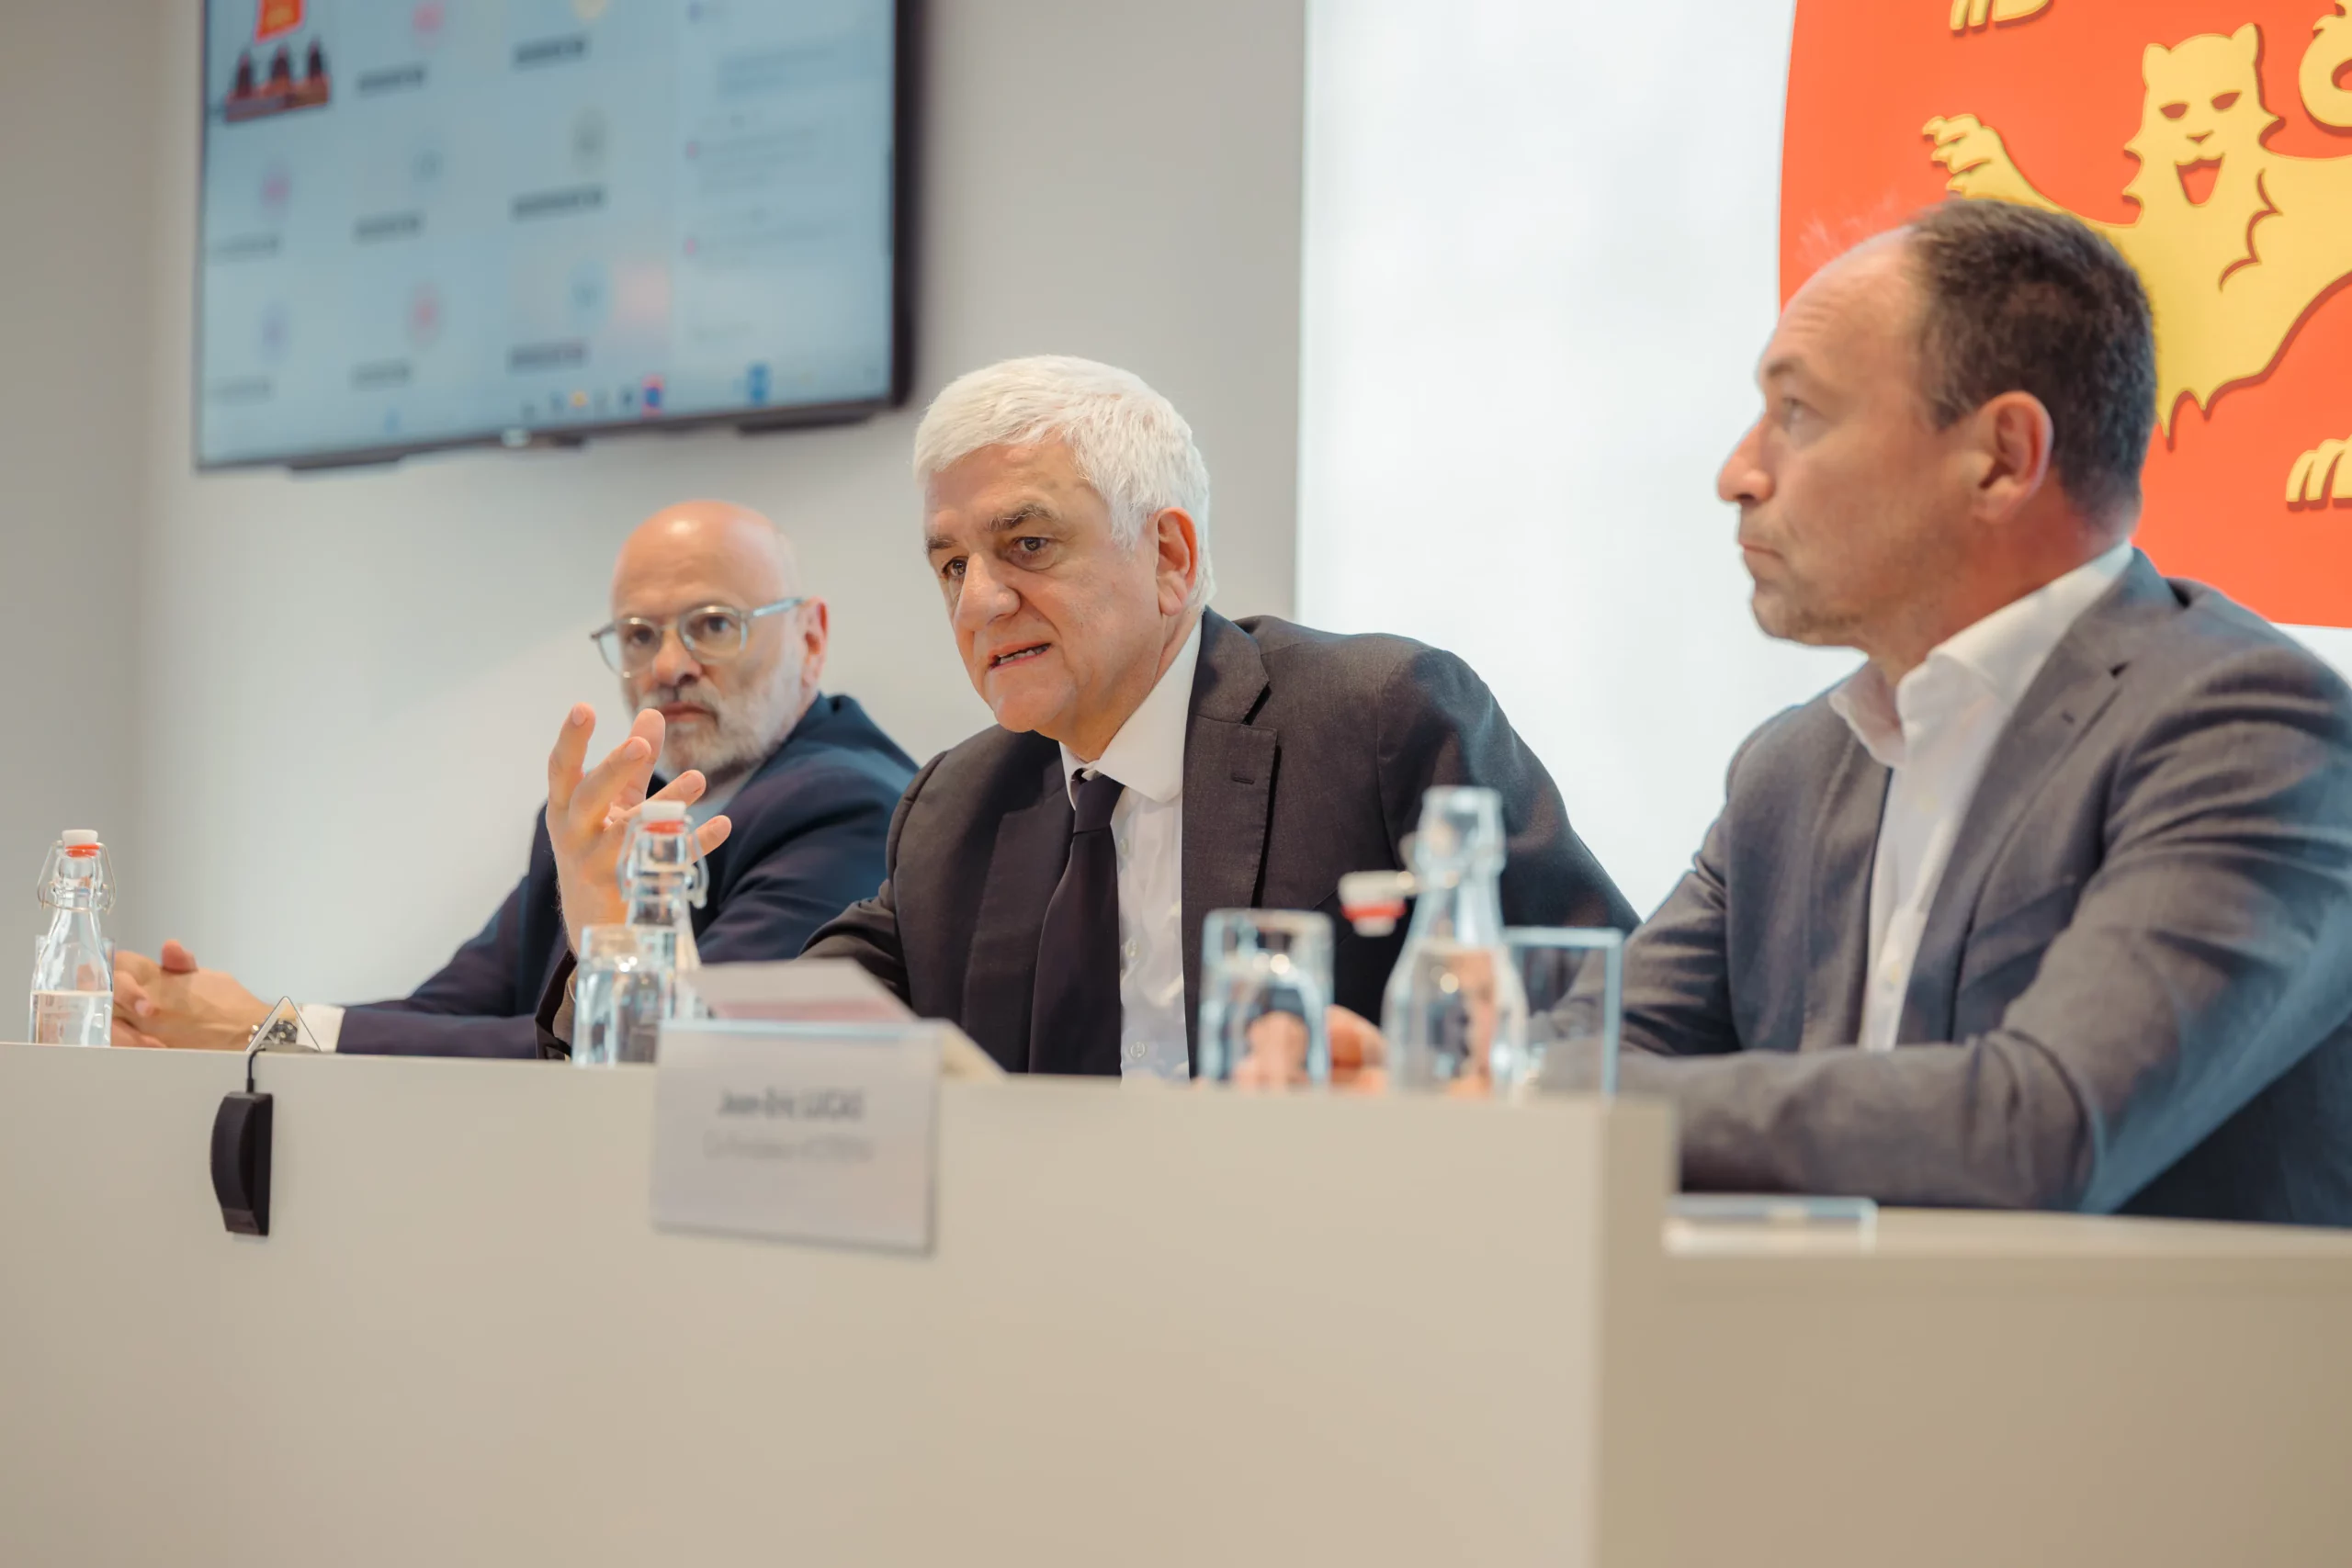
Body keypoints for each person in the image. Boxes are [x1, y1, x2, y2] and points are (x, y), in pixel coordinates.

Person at [1344, 199, 2352, 1224]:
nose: (1737, 474)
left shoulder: (2252, 731)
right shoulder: (1791, 767)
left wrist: (1522, 1089)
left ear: (2002, 457)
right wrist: (1396, 1078)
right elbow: (1602, 1049)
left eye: (1797, 413)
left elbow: (2040, 1126)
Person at [741, 354, 1634, 1077]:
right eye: (951, 566)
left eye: (1028, 545)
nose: (978, 603)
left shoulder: (1378, 717)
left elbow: (1609, 1006)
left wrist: (1414, 1075)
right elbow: (787, 1025)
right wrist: (659, 899)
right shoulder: (955, 807)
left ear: (1169, 556)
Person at [114, 501, 916, 1059]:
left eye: (713, 624)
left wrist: (264, 1030)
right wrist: (196, 1022)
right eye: (639, 635)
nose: (668, 665)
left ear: (811, 637)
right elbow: (451, 1010)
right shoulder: (598, 817)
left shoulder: (848, 804)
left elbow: (675, 1051)